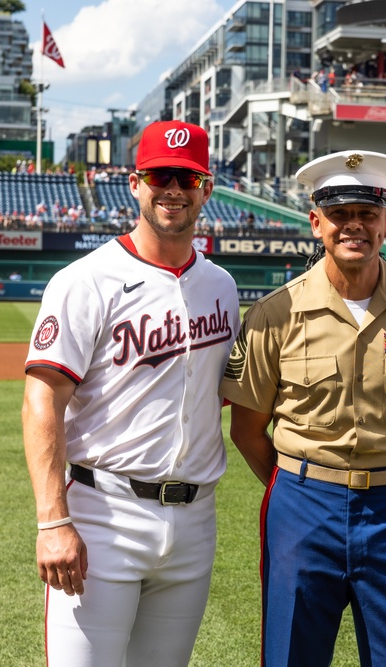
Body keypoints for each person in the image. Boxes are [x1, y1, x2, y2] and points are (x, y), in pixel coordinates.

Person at [221, 149, 386, 666]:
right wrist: (304, 483)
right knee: (292, 656)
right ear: (315, 223)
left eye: (368, 214)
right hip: (302, 508)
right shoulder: (274, 314)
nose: (354, 226)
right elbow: (247, 428)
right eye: (339, 214)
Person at [21, 120, 240, 667]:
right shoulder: (85, 280)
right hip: (104, 514)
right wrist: (53, 521)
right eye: (160, 174)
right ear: (135, 183)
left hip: (194, 520)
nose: (173, 189)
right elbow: (42, 398)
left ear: (206, 188)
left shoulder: (222, 286)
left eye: (186, 178)